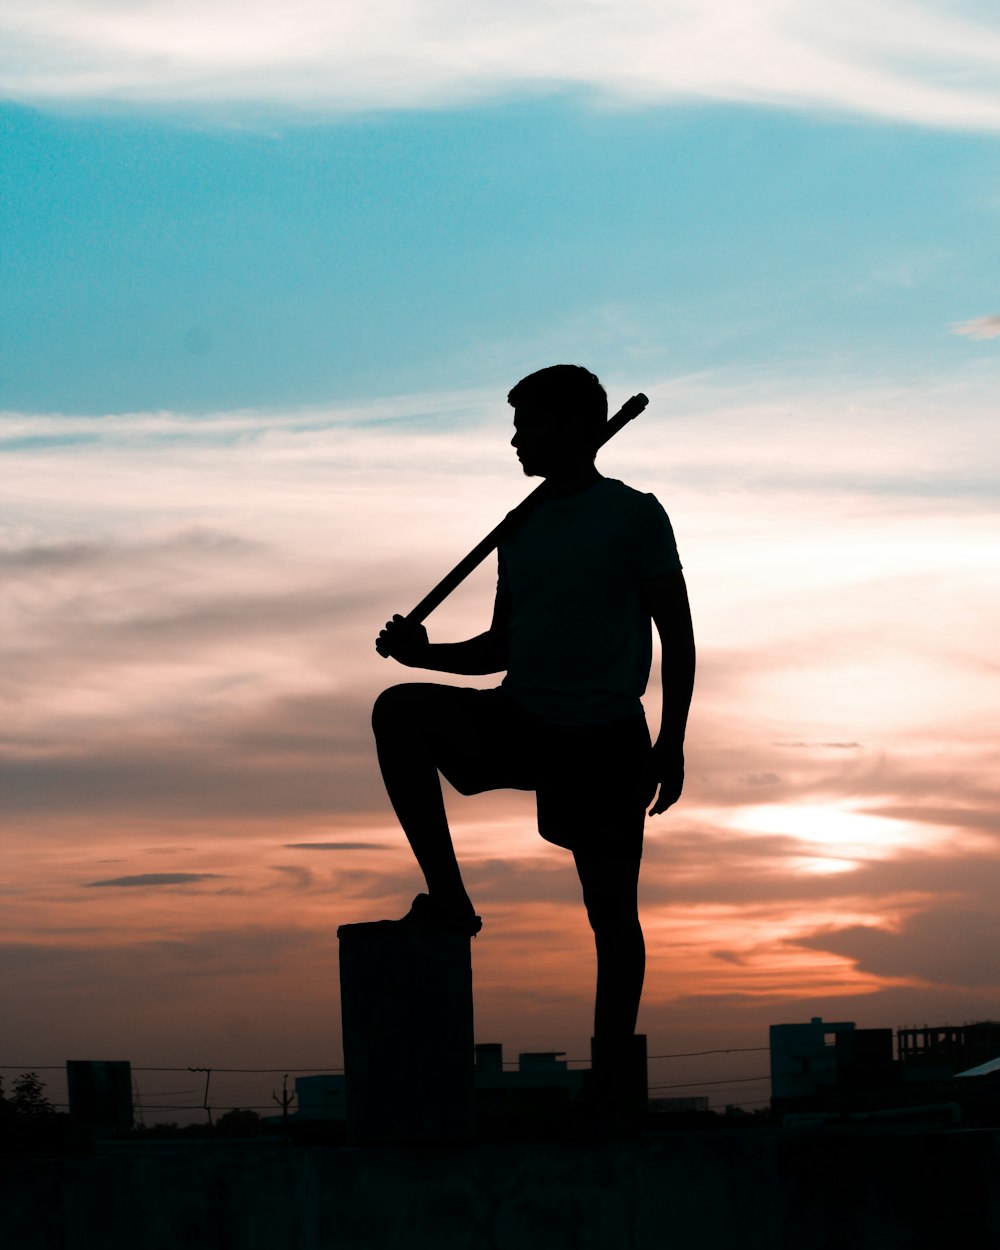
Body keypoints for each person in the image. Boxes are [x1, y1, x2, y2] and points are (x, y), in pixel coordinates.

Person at [372, 364, 695, 1119]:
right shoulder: (521, 528)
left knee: (611, 914)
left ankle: (612, 1076)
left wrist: (671, 743)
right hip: (523, 720)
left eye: (529, 425)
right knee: (400, 710)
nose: (515, 439)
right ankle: (450, 899)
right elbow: (499, 648)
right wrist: (425, 657)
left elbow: (677, 639)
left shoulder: (637, 515)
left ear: (577, 429)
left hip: (608, 739)